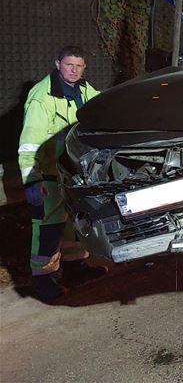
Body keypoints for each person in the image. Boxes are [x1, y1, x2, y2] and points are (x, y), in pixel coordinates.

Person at [18, 45, 106, 301]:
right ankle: (43, 279)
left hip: (74, 172)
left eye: (79, 66)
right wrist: (31, 180)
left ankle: (76, 267)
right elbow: (29, 144)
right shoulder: (41, 97)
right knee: (48, 227)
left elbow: (104, 106)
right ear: (58, 64)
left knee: (73, 223)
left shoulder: (85, 90)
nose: (74, 70)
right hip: (49, 174)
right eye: (69, 65)